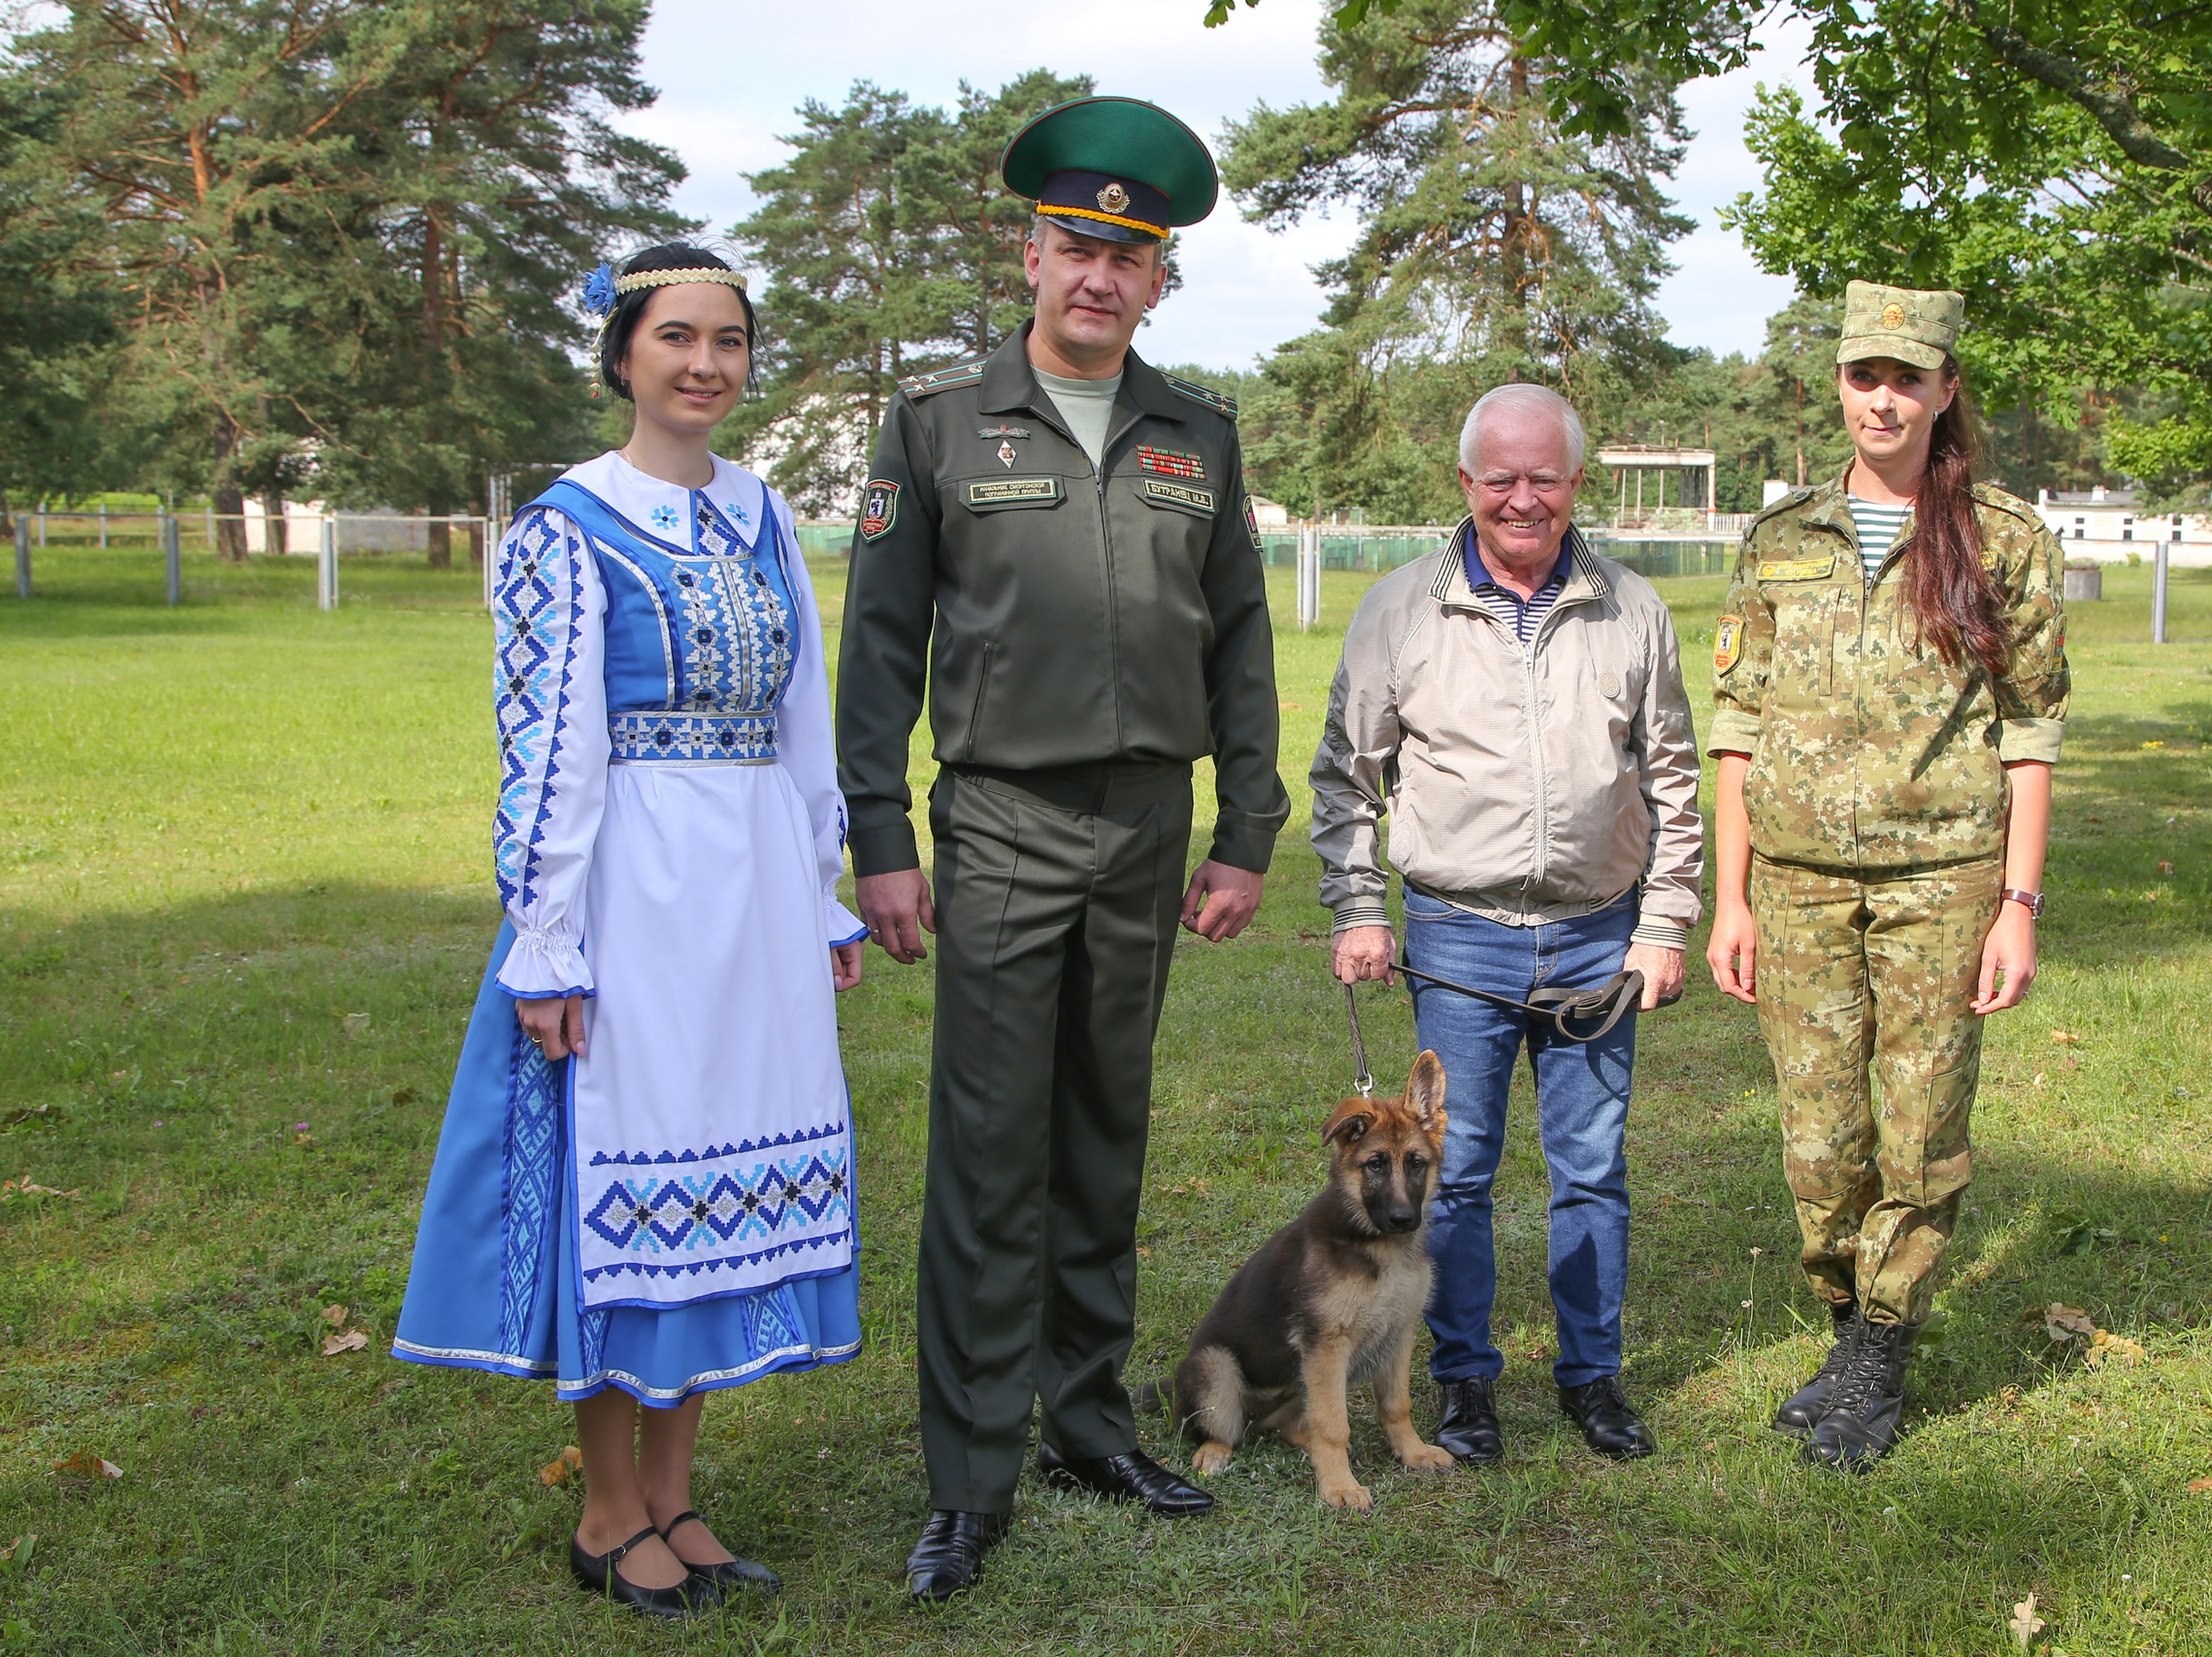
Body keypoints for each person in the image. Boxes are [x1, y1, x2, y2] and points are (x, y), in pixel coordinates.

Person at [835, 97, 1288, 1601]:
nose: (1099, 276)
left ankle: (1086, 1420)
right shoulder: (938, 429)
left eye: (1130, 256)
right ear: (1029, 254)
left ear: (1159, 281)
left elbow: (1239, 647)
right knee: (987, 1152)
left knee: (1104, 1132)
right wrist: (883, 838)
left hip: (1149, 831)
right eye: (1076, 246)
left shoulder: (1197, 436)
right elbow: (881, 647)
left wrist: (1247, 831)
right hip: (1005, 825)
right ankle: (969, 1472)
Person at [391, 244, 870, 1617]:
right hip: (637, 888)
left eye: (728, 339)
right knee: (640, 1180)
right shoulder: (564, 523)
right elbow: (548, 748)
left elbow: (803, 715)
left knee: (728, 1183)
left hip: (755, 884)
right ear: (622, 356)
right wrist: (548, 936)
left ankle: (677, 1489)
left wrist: (821, 881)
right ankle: (609, 1507)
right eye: (676, 337)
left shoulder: (767, 513)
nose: (706, 363)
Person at [1704, 282, 2067, 1469]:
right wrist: (1734, 895)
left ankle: (1880, 1350)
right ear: (1841, 385)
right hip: (1799, 884)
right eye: (1866, 374)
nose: (1883, 396)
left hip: (1942, 882)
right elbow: (1737, 724)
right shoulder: (1778, 540)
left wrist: (2018, 902)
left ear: (1946, 390)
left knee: (1917, 1129)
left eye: (1907, 377)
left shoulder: (2004, 541)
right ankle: (1843, 1318)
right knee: (1819, 1135)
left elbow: (2029, 730)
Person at [1310, 382, 1705, 1466]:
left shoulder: (1634, 608)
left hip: (1598, 938)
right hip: (1459, 937)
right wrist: (1356, 907)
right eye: (1501, 478)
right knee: (1459, 1174)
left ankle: (1591, 1379)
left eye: (1544, 477)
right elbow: (1346, 776)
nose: (1522, 498)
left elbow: (1672, 774)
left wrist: (1663, 922)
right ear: (1465, 484)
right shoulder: (1398, 609)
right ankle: (1464, 1386)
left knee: (1591, 1170)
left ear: (1578, 483)